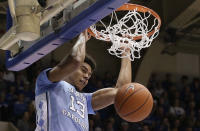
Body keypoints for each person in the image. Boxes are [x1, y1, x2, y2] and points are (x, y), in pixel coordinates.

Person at [35, 30, 132, 131]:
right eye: (83, 70)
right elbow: (75, 60)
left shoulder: (85, 100)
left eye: (89, 76)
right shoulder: (47, 83)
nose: (87, 77)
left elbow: (122, 91)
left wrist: (126, 52)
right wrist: (82, 35)